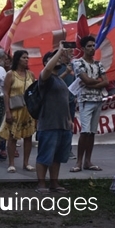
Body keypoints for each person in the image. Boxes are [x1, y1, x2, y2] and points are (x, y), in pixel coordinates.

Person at [34, 46, 73, 193]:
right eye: (52, 58)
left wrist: (69, 120)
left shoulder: (59, 80)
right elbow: (48, 70)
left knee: (57, 157)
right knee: (45, 155)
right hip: (49, 124)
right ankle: (41, 184)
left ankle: (54, 183)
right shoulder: (45, 78)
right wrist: (59, 51)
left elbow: (65, 102)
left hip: (63, 125)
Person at [71, 35, 108, 172]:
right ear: (83, 48)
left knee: (92, 132)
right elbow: (86, 80)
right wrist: (97, 82)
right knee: (85, 131)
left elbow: (106, 81)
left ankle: (88, 161)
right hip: (85, 100)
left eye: (93, 46)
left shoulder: (98, 64)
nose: (92, 48)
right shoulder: (77, 63)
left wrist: (92, 83)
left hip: (97, 100)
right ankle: (79, 162)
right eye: (89, 46)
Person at [0, 50, 36, 173]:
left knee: (28, 137)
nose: (26, 60)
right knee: (13, 137)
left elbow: (34, 93)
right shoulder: (11, 74)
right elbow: (6, 93)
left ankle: (26, 163)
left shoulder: (31, 74)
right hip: (15, 109)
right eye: (24, 57)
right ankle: (11, 163)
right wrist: (7, 111)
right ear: (18, 59)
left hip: (28, 109)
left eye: (27, 57)